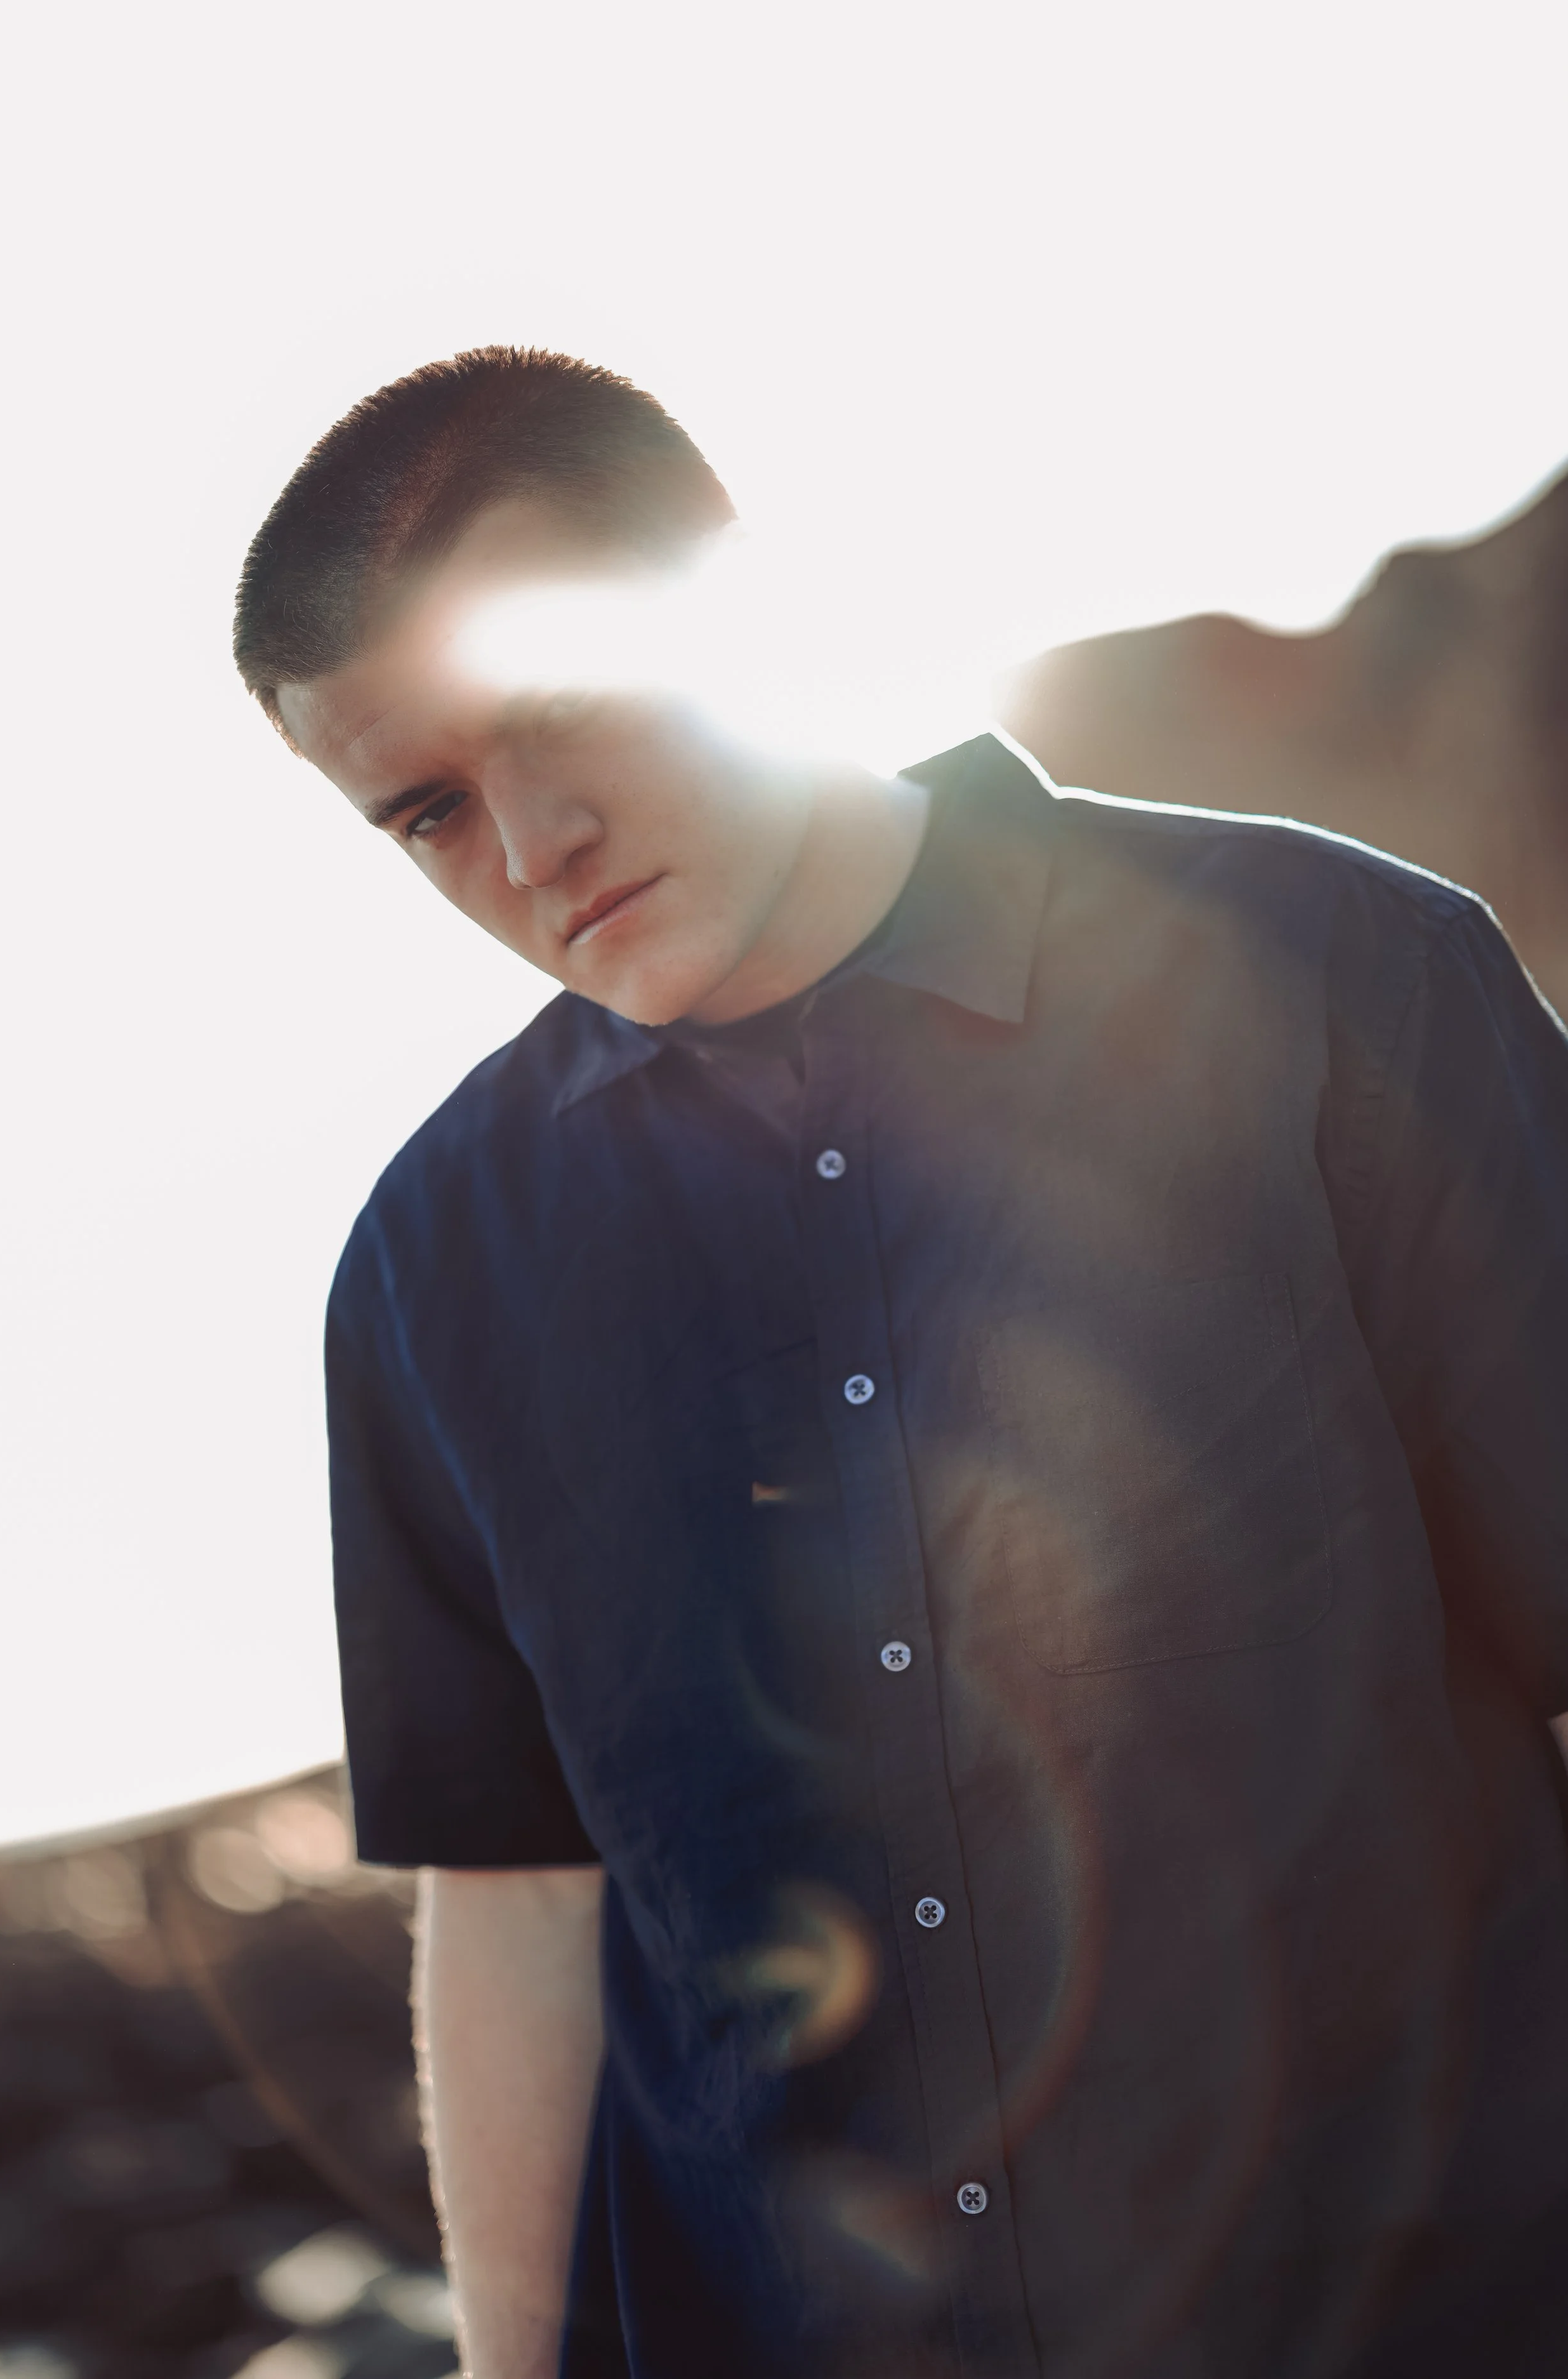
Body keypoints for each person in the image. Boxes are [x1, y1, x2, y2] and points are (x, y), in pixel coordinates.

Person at [233, 348, 1568, 2379]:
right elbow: (514, 1905)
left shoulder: (1339, 982)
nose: (530, 838)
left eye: (558, 711)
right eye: (423, 808)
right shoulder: (428, 1275)